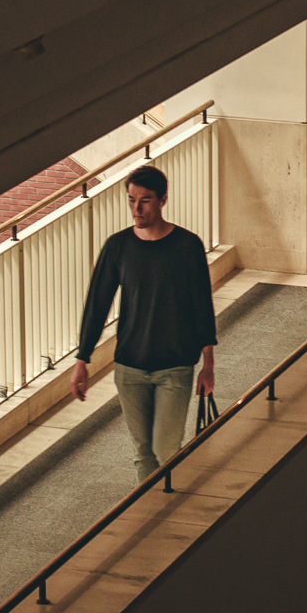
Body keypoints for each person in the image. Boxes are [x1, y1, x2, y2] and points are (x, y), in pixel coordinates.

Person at [70, 164, 217, 481]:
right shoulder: (118, 246)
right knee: (143, 454)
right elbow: (97, 303)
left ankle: (166, 509)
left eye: (145, 200)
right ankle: (151, 517)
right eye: (132, 200)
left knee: (166, 451)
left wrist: (208, 363)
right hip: (130, 368)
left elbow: (201, 305)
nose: (137, 208)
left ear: (163, 199)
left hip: (175, 367)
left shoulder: (187, 246)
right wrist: (82, 359)